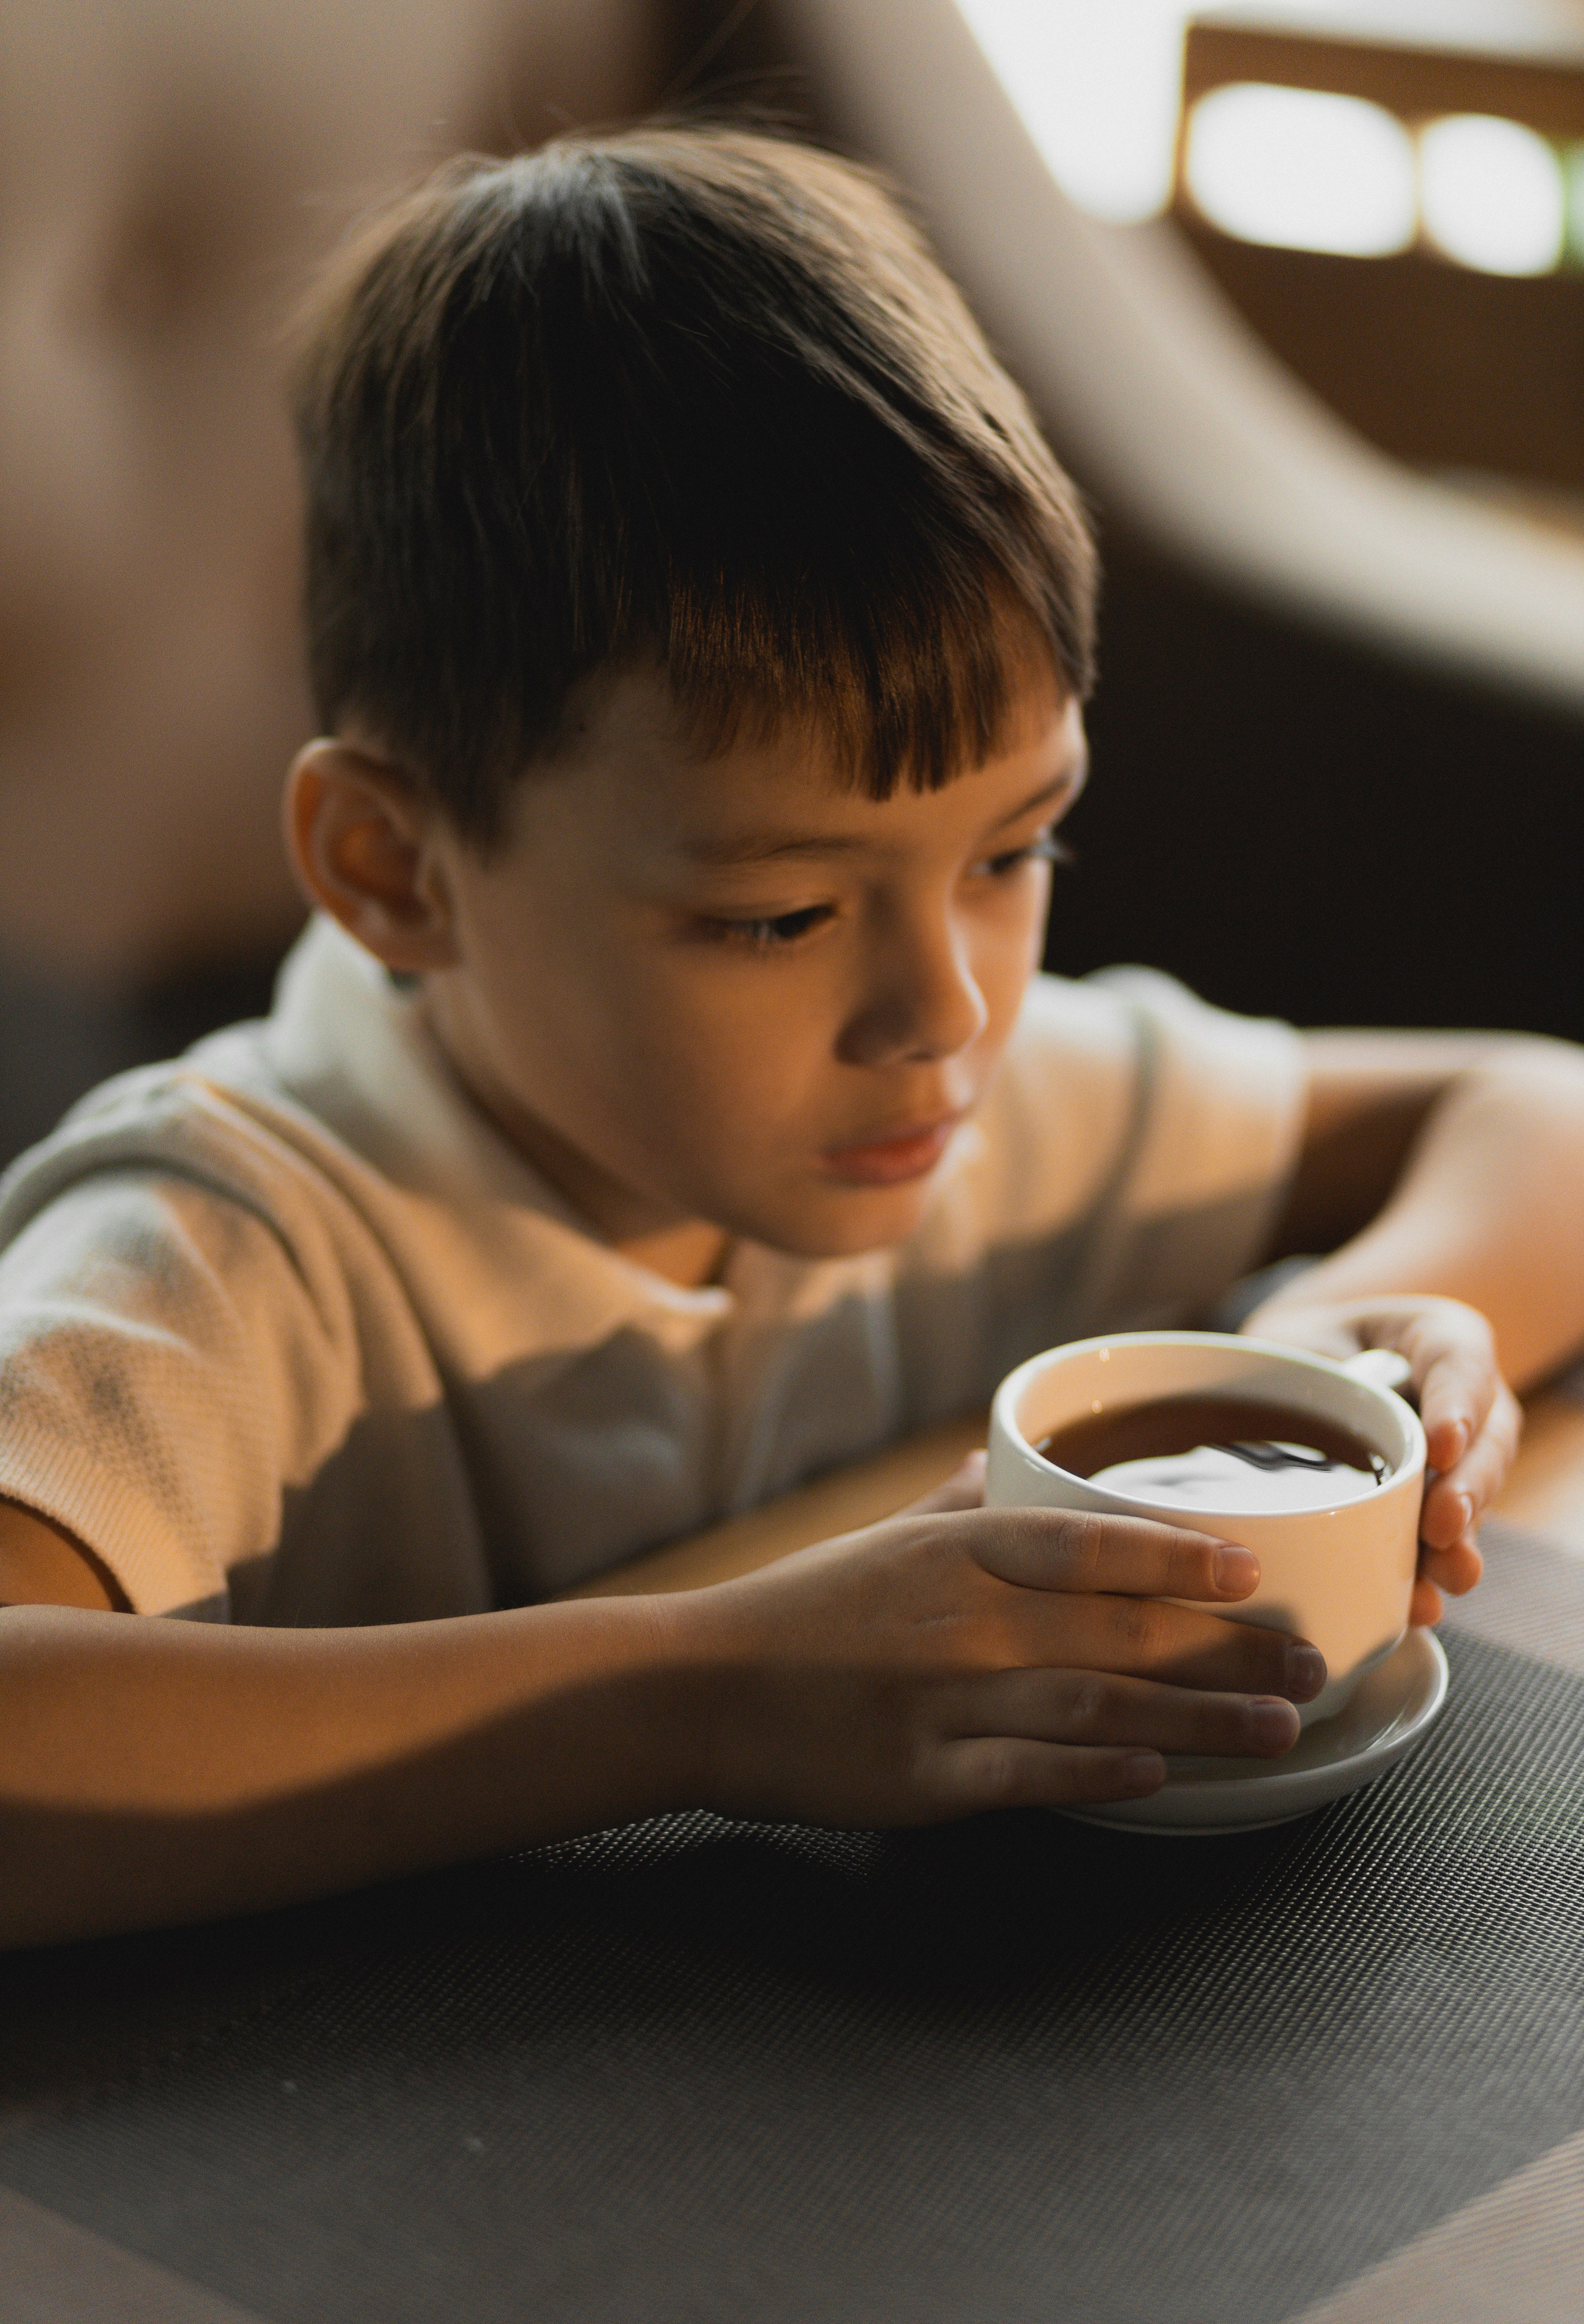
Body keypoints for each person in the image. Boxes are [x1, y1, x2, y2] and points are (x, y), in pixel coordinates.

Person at [0, 129, 1580, 1951]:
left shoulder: (987, 1109)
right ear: (396, 870)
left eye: (1016, 851)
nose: (951, 1011)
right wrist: (706, 1693)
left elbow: (1536, 1104)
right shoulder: (230, 1257)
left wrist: (1349, 1345)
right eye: (778, 916)